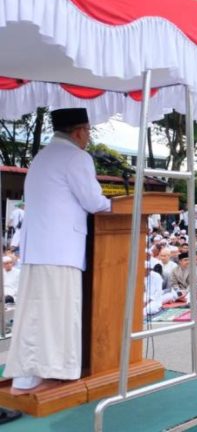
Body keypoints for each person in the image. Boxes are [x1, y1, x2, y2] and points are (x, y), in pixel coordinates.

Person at [5, 108, 111, 395]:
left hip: (39, 248)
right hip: (60, 250)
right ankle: (55, 373)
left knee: (35, 313)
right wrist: (116, 205)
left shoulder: (42, 156)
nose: (88, 137)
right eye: (88, 131)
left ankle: (25, 378)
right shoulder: (76, 157)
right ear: (78, 131)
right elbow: (93, 201)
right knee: (56, 314)